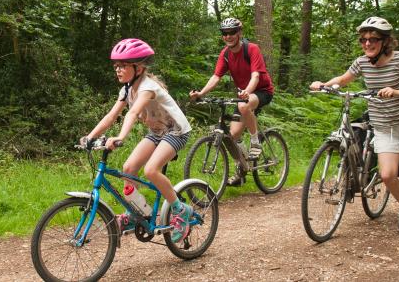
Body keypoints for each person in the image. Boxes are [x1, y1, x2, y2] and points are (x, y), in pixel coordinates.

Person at [309, 16, 399, 239]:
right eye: (363, 39)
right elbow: (344, 78)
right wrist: (323, 84)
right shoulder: (362, 63)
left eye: (373, 39)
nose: (367, 43)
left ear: (385, 41)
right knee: (387, 175)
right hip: (384, 125)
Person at [82, 38, 194, 243]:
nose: (118, 69)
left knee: (151, 170)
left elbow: (133, 112)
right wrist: (90, 137)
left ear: (139, 68)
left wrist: (120, 137)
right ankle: (138, 213)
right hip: (157, 132)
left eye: (123, 66)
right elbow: (111, 116)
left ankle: (181, 210)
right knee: (128, 169)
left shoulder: (148, 87)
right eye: (116, 66)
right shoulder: (126, 89)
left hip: (176, 131)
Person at [189, 17, 275, 186]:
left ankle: (255, 142)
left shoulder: (251, 49)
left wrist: (247, 92)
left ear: (239, 33)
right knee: (232, 136)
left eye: (232, 33)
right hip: (244, 94)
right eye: (224, 33)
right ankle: (242, 169)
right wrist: (201, 93)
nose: (228, 36)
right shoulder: (225, 54)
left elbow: (256, 76)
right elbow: (216, 77)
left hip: (261, 91)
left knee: (243, 105)